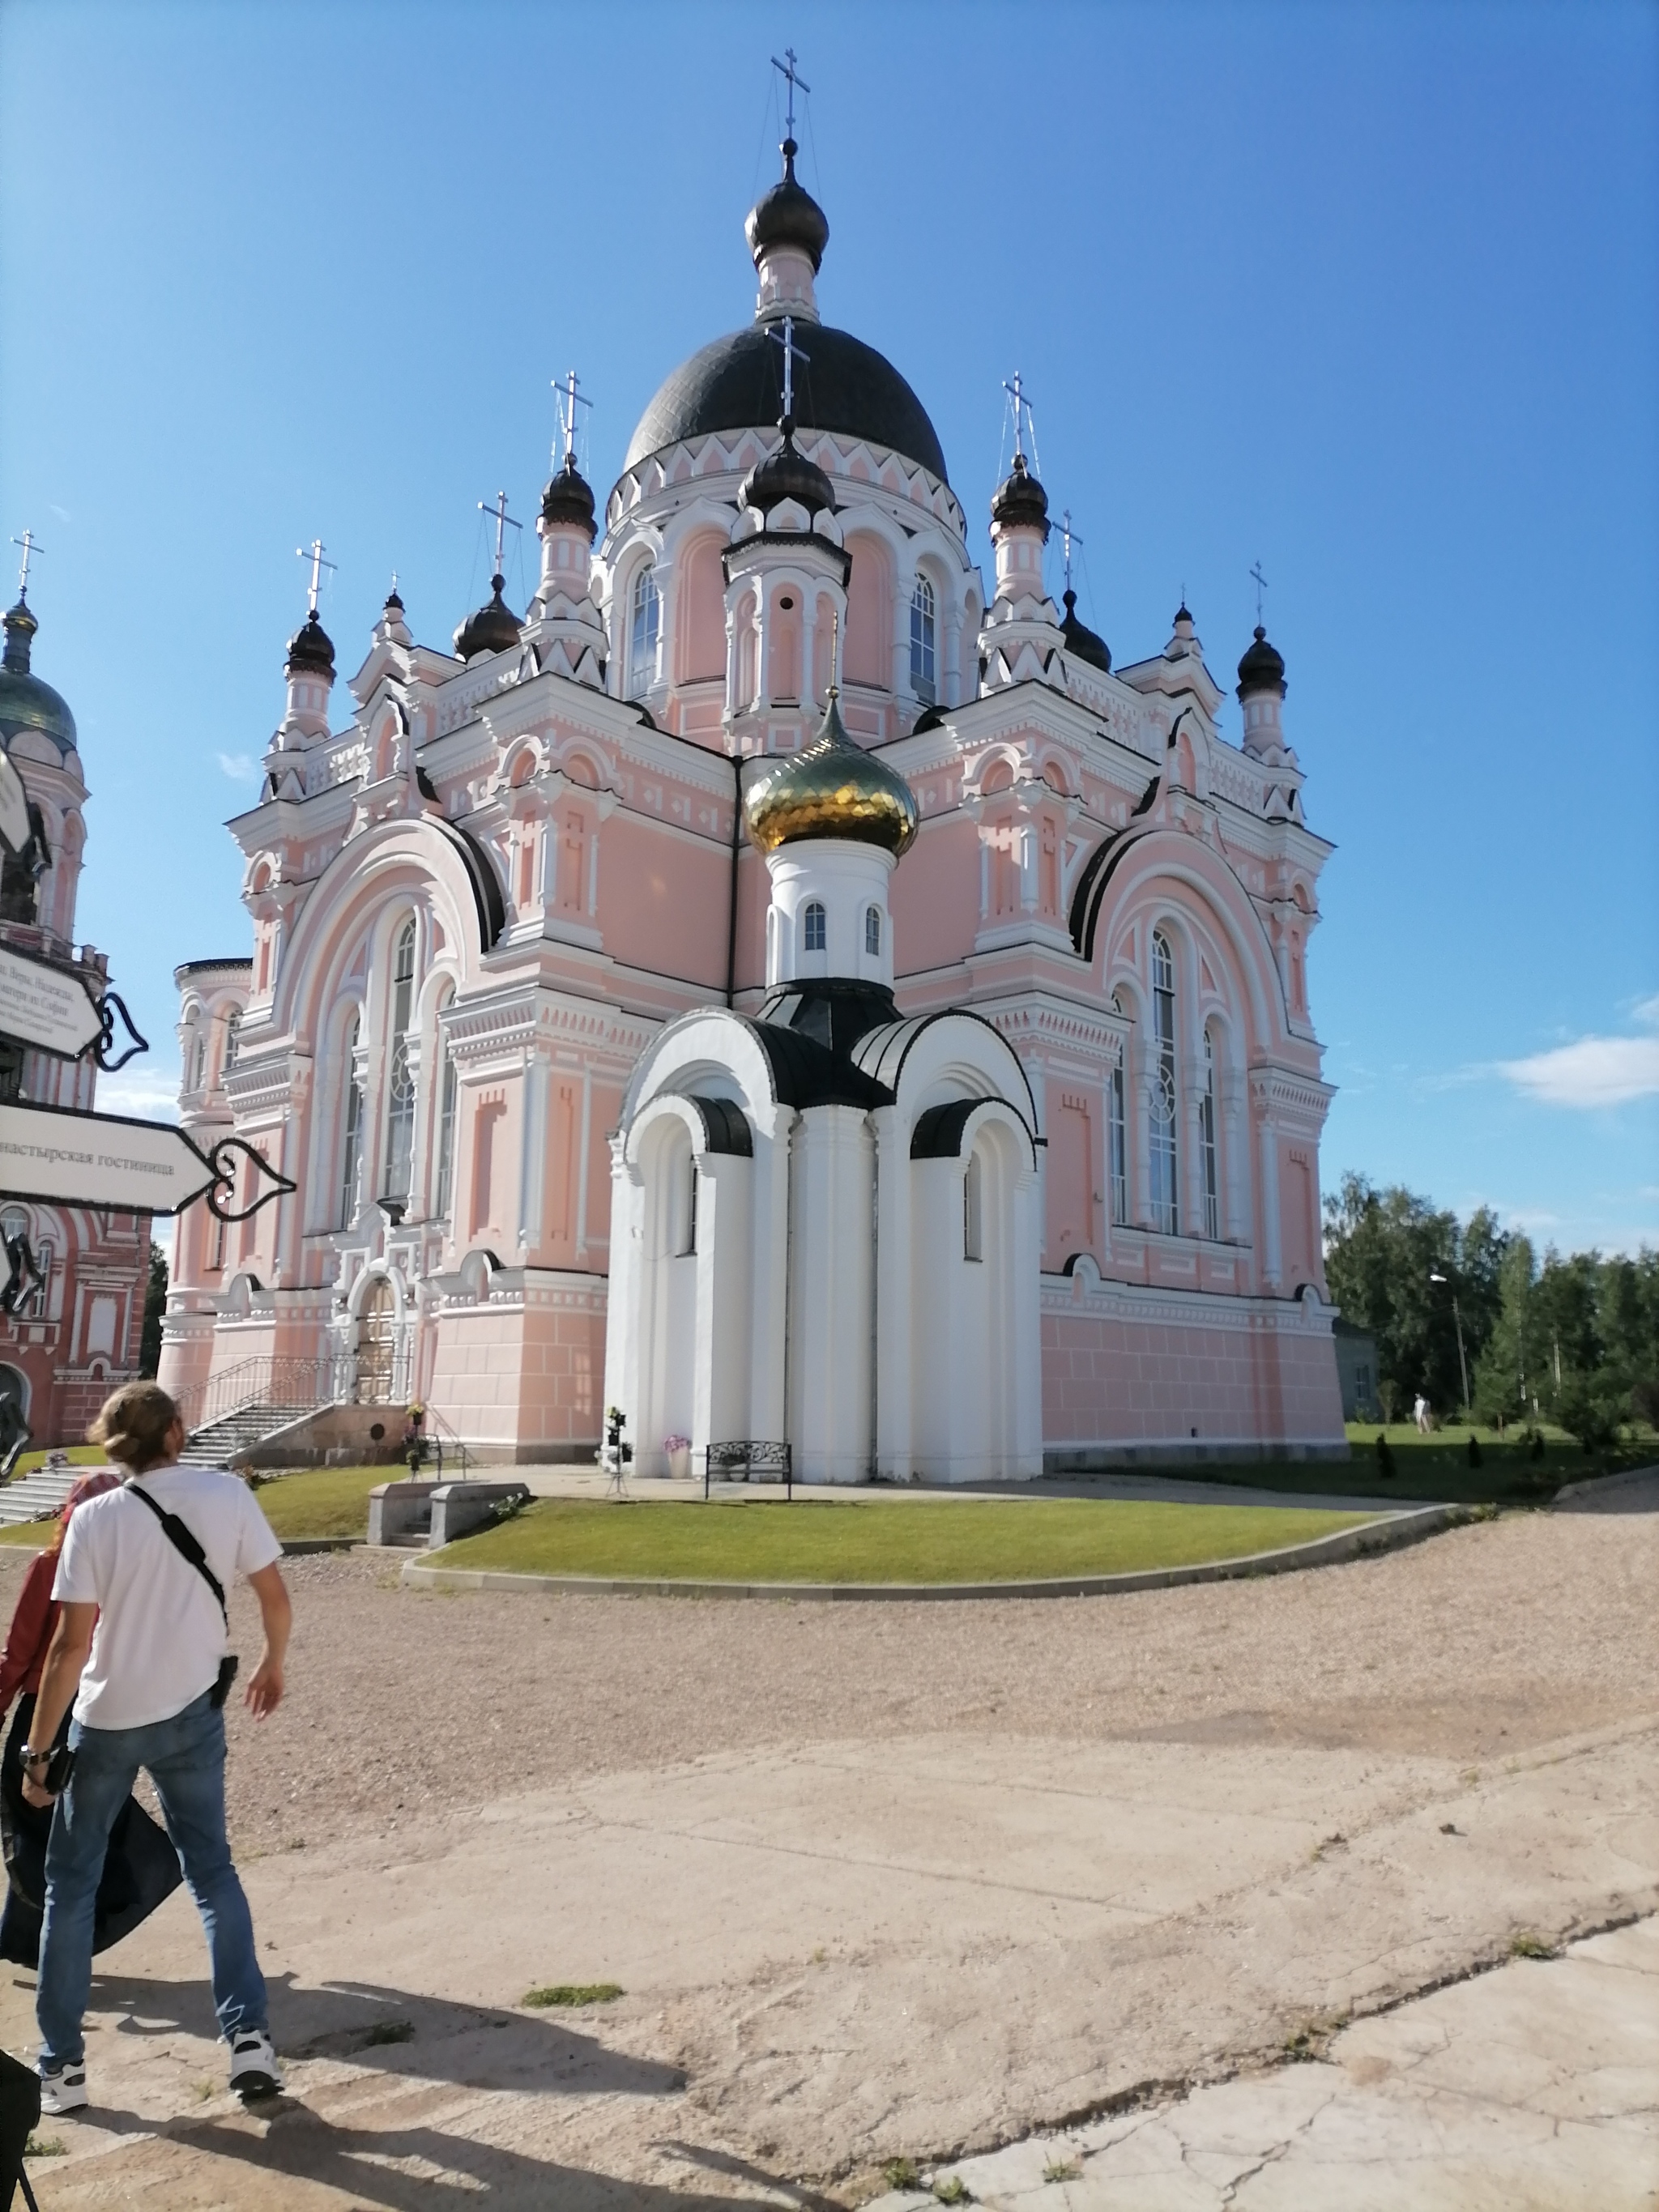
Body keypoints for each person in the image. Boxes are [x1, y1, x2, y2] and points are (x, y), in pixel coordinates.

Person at [21, 1381, 292, 2115]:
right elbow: (274, 1594)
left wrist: (38, 1753)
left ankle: (62, 2070)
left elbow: (70, 1648)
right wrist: (272, 1662)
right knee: (213, 1874)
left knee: (70, 1888)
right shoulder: (228, 1496)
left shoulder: (95, 1517)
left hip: (106, 1718)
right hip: (191, 1715)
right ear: (176, 1432)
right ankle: (248, 2042)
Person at [0, 1468, 181, 1967]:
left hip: (49, 1712)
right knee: (89, 1822)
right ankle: (34, 1938)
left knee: (32, 1826)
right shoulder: (141, 1572)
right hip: (108, 1711)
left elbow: (20, 1654)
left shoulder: (53, 1565)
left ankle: (46, 1941)